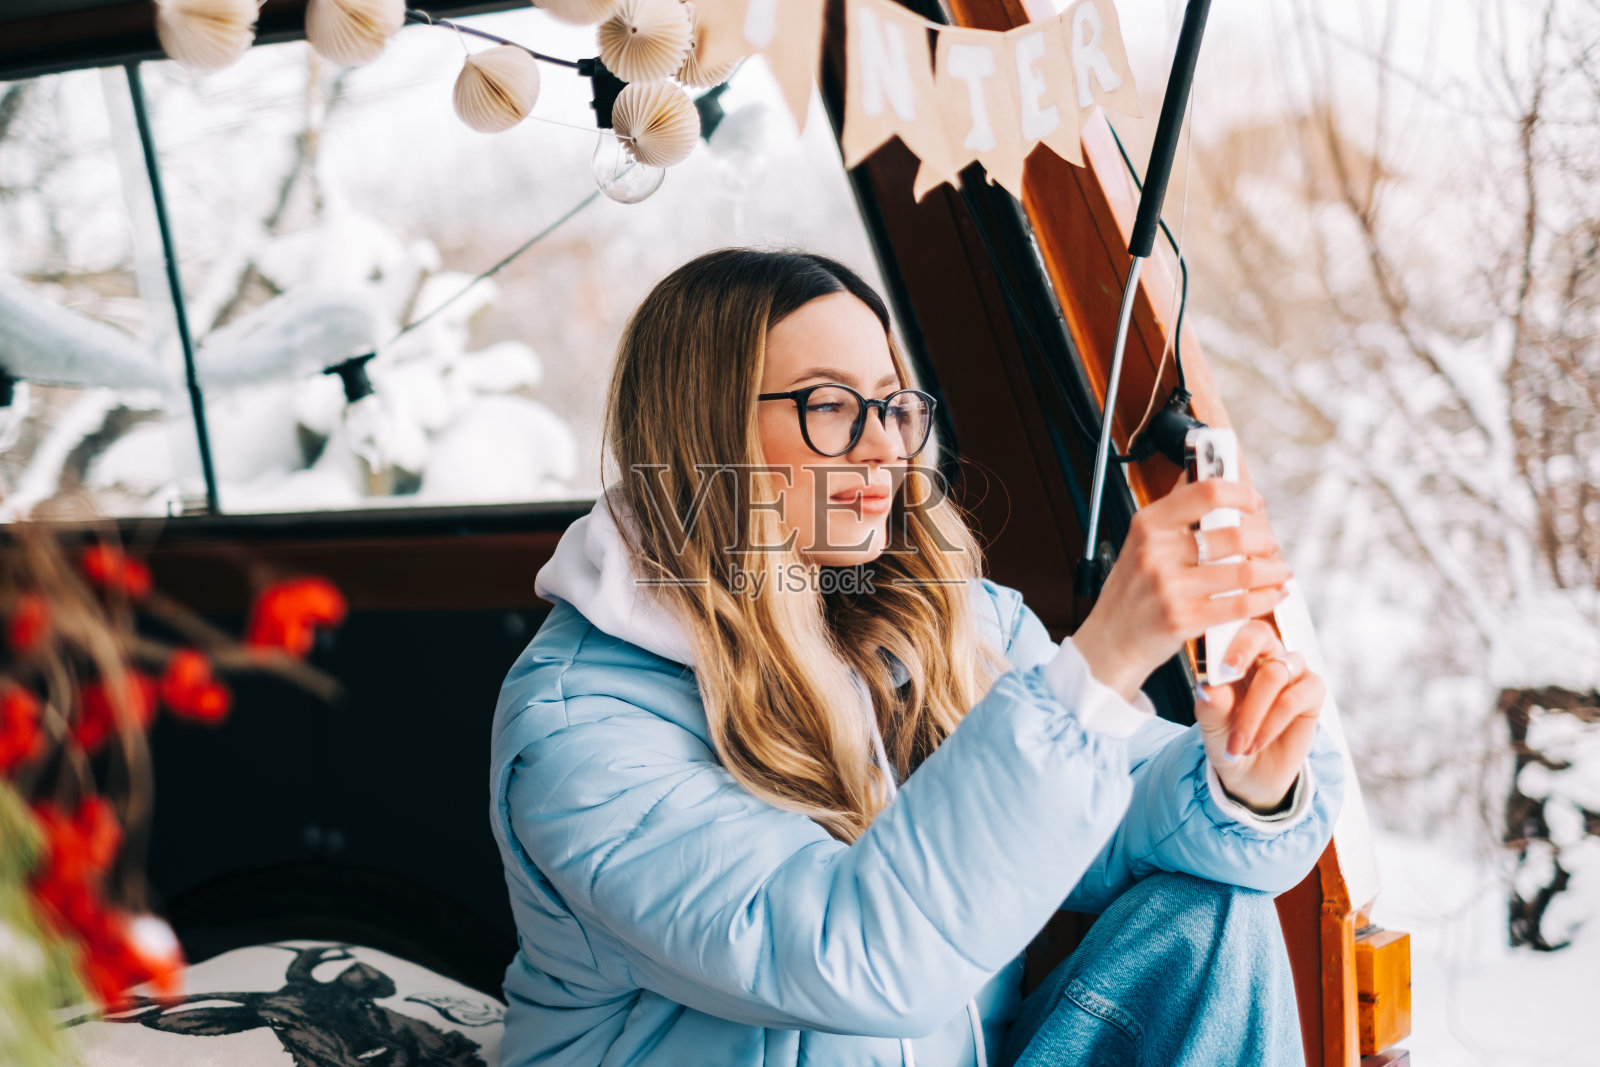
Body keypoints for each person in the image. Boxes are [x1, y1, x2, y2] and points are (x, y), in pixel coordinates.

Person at [488, 248, 1343, 1067]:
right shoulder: (582, 730)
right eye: (830, 406)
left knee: (1213, 913)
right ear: (704, 428)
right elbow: (855, 956)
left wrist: (1245, 778)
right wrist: (1104, 662)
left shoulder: (946, 621)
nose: (883, 448)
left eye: (894, 405)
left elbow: (1116, 814)